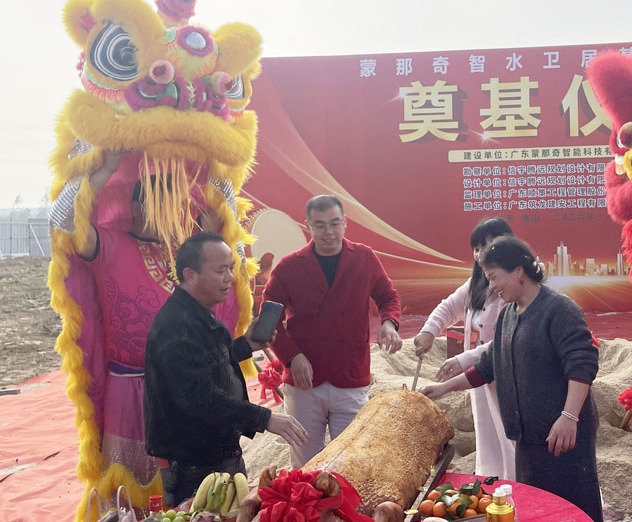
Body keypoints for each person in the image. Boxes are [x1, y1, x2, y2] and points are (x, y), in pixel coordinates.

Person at [58, 149, 230, 508]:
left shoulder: (189, 253)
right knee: (127, 493)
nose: (170, 211)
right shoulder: (108, 244)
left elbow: (224, 209)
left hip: (186, 386)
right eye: (158, 203)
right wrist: (104, 168)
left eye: (173, 202)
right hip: (129, 387)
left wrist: (217, 159)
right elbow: (63, 221)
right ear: (136, 208)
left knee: (190, 490)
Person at [421, 236, 604, 522]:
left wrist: (569, 417)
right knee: (539, 513)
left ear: (518, 271)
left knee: (575, 514)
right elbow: (488, 366)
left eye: (494, 277)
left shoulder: (558, 309)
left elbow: (582, 365)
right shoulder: (507, 315)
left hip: (564, 436)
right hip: (528, 438)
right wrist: (442, 388)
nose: (491, 285)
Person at [144, 232, 307, 506]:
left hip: (217, 450)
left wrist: (246, 345)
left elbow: (208, 363)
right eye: (220, 270)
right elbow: (198, 396)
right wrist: (265, 418)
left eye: (231, 268)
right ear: (190, 274)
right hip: (194, 462)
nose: (229, 278)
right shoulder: (176, 325)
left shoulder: (199, 311)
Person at [263, 194, 403, 467]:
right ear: (308, 226)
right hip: (305, 381)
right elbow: (269, 320)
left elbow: (388, 297)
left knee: (350, 461)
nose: (328, 232)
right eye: (320, 225)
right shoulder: (289, 267)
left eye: (334, 223)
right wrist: (291, 357)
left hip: (350, 376)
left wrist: (389, 322)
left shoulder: (364, 258)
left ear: (345, 223)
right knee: (306, 463)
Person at [413, 217, 517, 479]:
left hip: (508, 373)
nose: (481, 253)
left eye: (489, 245)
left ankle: (518, 486)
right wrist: (428, 331)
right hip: (480, 377)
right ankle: (493, 485)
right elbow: (449, 307)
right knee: (487, 434)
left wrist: (463, 359)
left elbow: (507, 340)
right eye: (477, 247)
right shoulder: (477, 283)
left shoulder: (515, 285)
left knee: (510, 437)